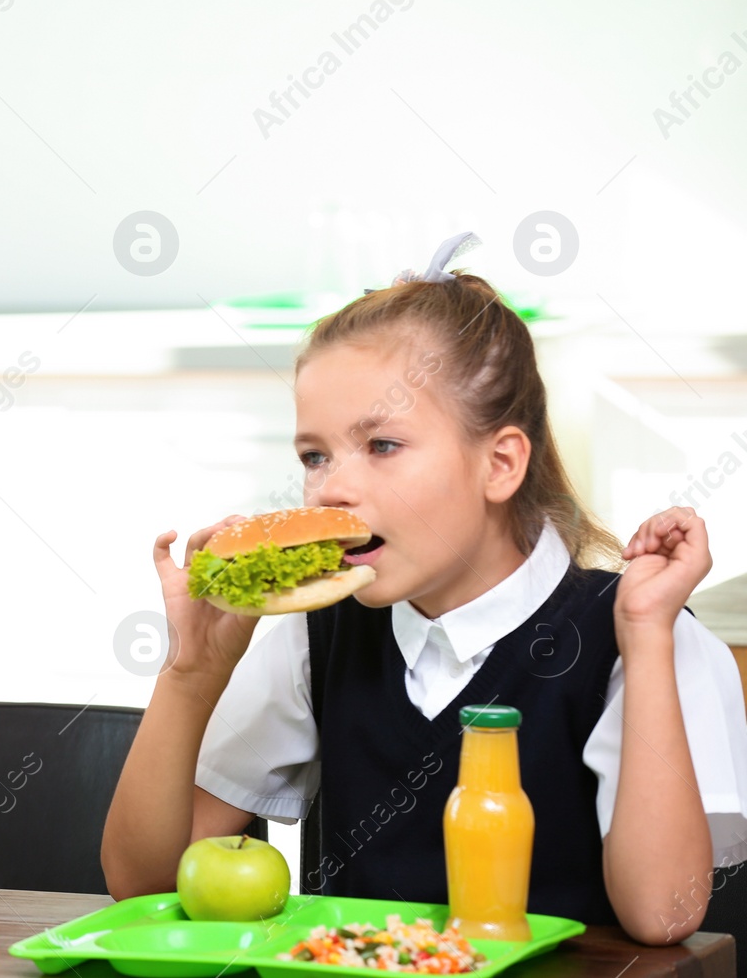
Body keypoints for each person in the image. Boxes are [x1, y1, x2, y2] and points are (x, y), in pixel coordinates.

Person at [101, 234, 747, 945]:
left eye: (381, 445)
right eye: (315, 455)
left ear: (499, 464)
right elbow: (144, 886)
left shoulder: (644, 634)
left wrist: (648, 637)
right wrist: (191, 674)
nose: (332, 486)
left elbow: (666, 913)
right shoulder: (315, 636)